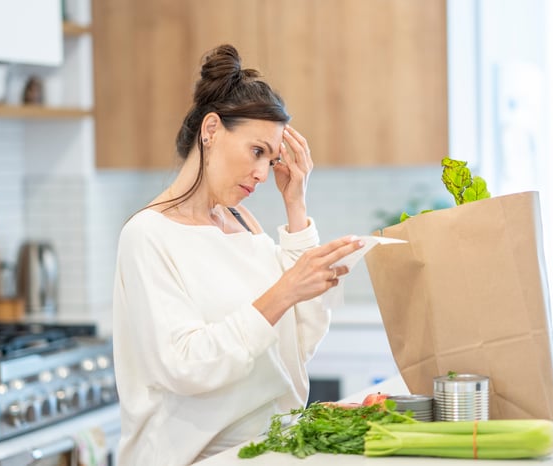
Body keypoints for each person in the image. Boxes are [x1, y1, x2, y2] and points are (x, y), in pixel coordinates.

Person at [112, 44, 365, 465]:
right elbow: (185, 365)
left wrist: (296, 208)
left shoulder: (244, 223)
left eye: (273, 158)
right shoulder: (147, 235)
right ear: (211, 130)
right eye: (257, 151)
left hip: (266, 451)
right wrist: (284, 291)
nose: (264, 174)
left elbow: (297, 346)